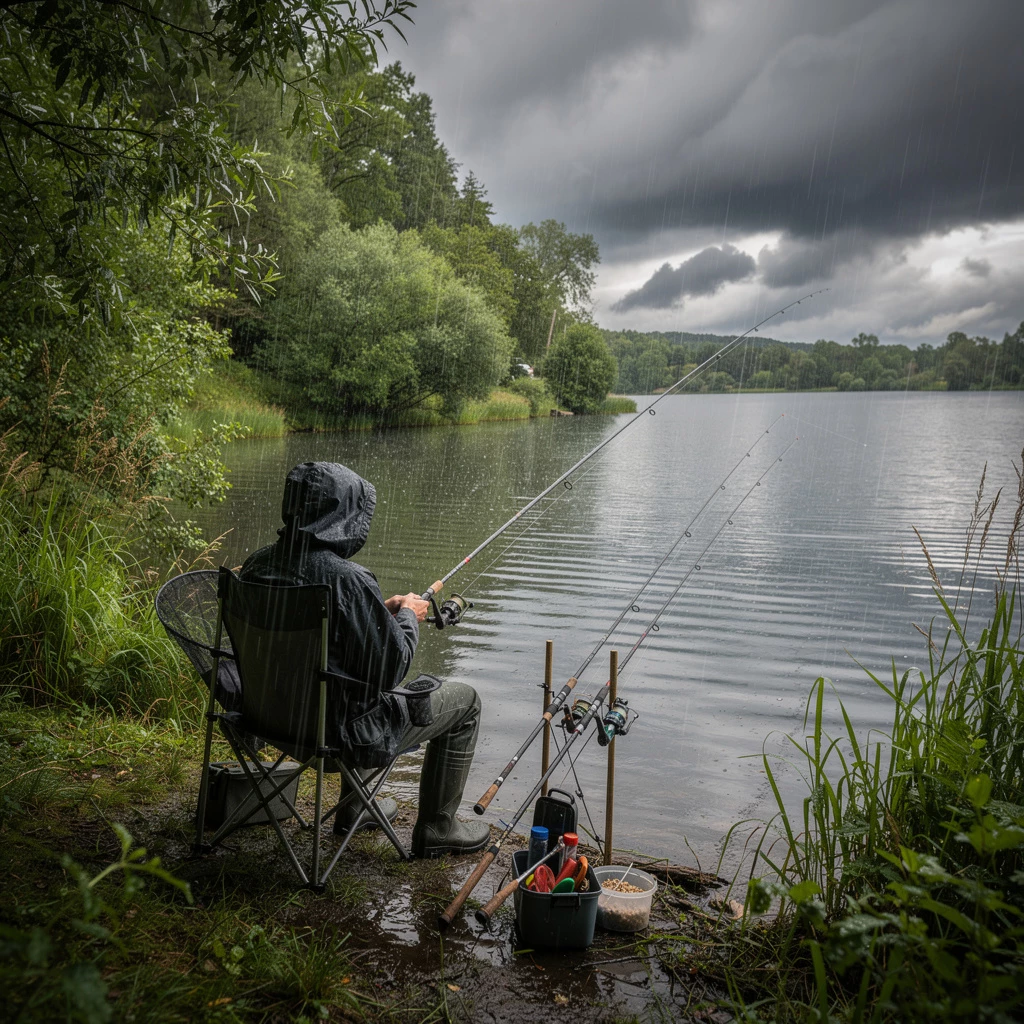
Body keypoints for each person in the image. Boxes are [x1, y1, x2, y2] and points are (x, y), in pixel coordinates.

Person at [240, 461, 490, 859]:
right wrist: (409, 614)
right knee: (467, 701)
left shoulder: (258, 564)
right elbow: (391, 667)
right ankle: (438, 828)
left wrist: (378, 610)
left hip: (270, 720)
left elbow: (324, 627)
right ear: (343, 516)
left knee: (347, 678)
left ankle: (358, 805)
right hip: (337, 738)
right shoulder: (348, 578)